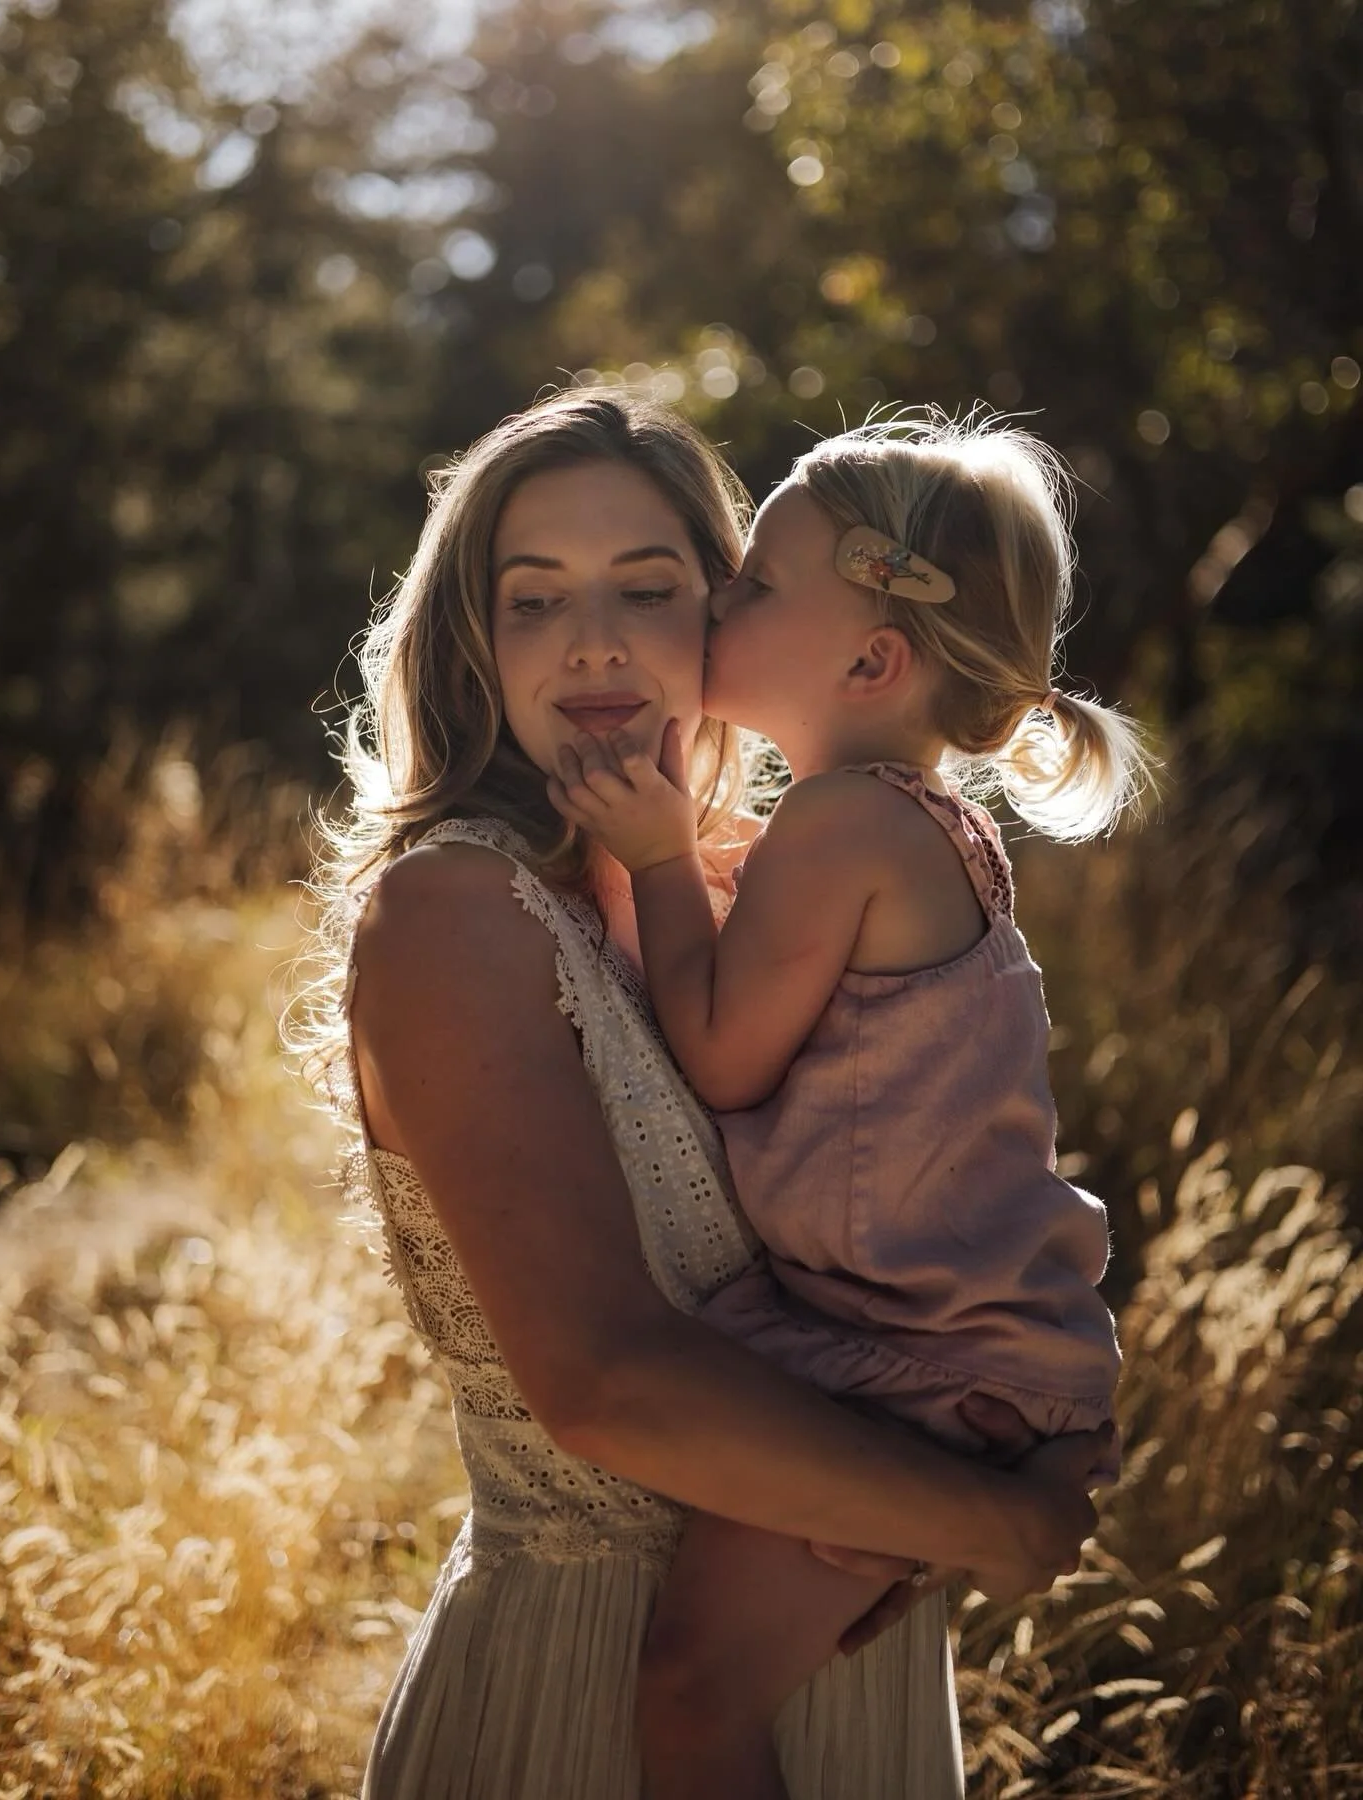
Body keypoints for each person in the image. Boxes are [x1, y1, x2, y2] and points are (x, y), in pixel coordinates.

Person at [300, 390, 1111, 1800]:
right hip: (589, 1685)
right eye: (535, 597)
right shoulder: (456, 914)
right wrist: (998, 1521)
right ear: (471, 639)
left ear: (725, 613)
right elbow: (603, 1381)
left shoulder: (748, 880)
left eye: (652, 587)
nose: (599, 640)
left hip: (829, 1650)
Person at [548, 408, 1149, 1800]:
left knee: (693, 1703)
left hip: (910, 1355)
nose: (717, 600)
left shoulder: (839, 827)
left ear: (872, 657)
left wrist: (651, 857)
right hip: (945, 1337)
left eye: (755, 583)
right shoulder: (914, 817)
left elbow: (720, 1057)